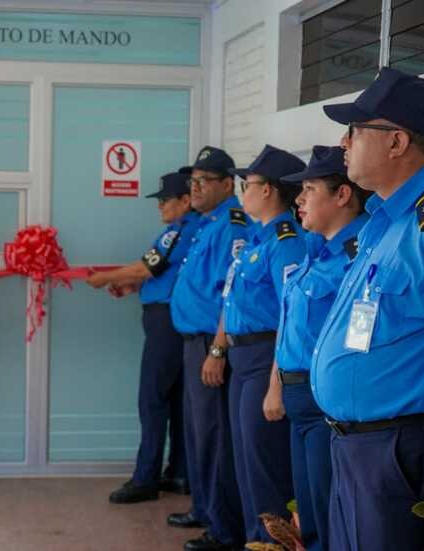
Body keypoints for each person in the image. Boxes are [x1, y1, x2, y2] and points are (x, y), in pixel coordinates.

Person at [313, 67, 424, 551]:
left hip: (403, 452)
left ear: (396, 141)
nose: (343, 142)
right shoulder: (382, 221)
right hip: (358, 449)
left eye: (355, 131)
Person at [264, 146, 369, 551]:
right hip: (298, 396)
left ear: (342, 195)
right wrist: (276, 384)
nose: (300, 199)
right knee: (309, 513)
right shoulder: (315, 250)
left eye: (309, 189)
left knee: (330, 515)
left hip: (325, 398)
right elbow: (289, 324)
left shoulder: (354, 258)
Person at [86, 171, 198, 504]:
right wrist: (133, 285)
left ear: (185, 201)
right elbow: (164, 274)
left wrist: (104, 277)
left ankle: (145, 478)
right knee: (178, 401)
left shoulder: (180, 232)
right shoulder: (190, 231)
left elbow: (146, 268)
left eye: (166, 200)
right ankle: (179, 473)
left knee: (152, 399)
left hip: (167, 324)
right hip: (177, 321)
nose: (160, 206)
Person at [220, 145, 307, 544]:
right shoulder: (258, 236)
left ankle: (274, 544)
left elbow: (290, 316)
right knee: (246, 463)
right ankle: (255, 541)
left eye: (247, 183)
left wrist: (276, 381)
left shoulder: (286, 240)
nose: (243, 190)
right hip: (242, 357)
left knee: (265, 467)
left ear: (270, 190)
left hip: (264, 358)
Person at [167, 146, 249, 551]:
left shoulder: (232, 225)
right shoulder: (206, 221)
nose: (194, 188)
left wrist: (217, 350)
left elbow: (227, 297)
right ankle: (203, 507)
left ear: (227, 184)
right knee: (198, 433)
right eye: (192, 182)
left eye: (203, 181)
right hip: (191, 342)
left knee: (214, 437)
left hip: (210, 344)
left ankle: (221, 526)